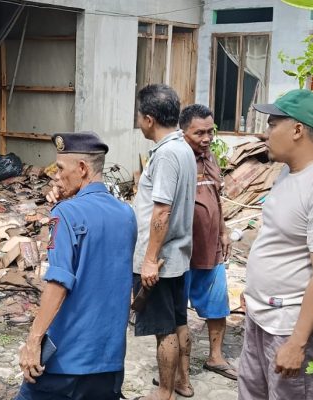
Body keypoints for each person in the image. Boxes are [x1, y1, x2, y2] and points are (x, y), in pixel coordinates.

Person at [238, 89, 313, 400]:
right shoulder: (287, 175)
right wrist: (254, 293)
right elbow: (277, 240)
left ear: (297, 130)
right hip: (260, 316)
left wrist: (298, 343)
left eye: (272, 124)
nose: (265, 133)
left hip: (290, 328)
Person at [16, 132, 137, 400]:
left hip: (67, 361)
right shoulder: (126, 214)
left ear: (82, 169)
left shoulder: (66, 214)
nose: (55, 176)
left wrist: (33, 341)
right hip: (109, 360)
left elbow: (59, 281)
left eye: (60, 168)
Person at [131, 84, 196, 400]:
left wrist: (148, 259)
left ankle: (165, 393)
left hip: (161, 260)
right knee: (178, 321)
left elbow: (162, 211)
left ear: (148, 119)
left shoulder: (168, 154)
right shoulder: (183, 148)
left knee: (164, 330)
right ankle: (182, 382)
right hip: (177, 256)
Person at [178, 104, 236, 392]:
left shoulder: (211, 157)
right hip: (182, 251)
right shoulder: (175, 158)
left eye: (210, 131)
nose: (206, 138)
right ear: (183, 131)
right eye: (198, 132)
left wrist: (223, 232)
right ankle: (179, 372)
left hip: (211, 247)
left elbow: (217, 197)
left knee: (217, 304)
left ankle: (215, 357)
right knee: (177, 313)